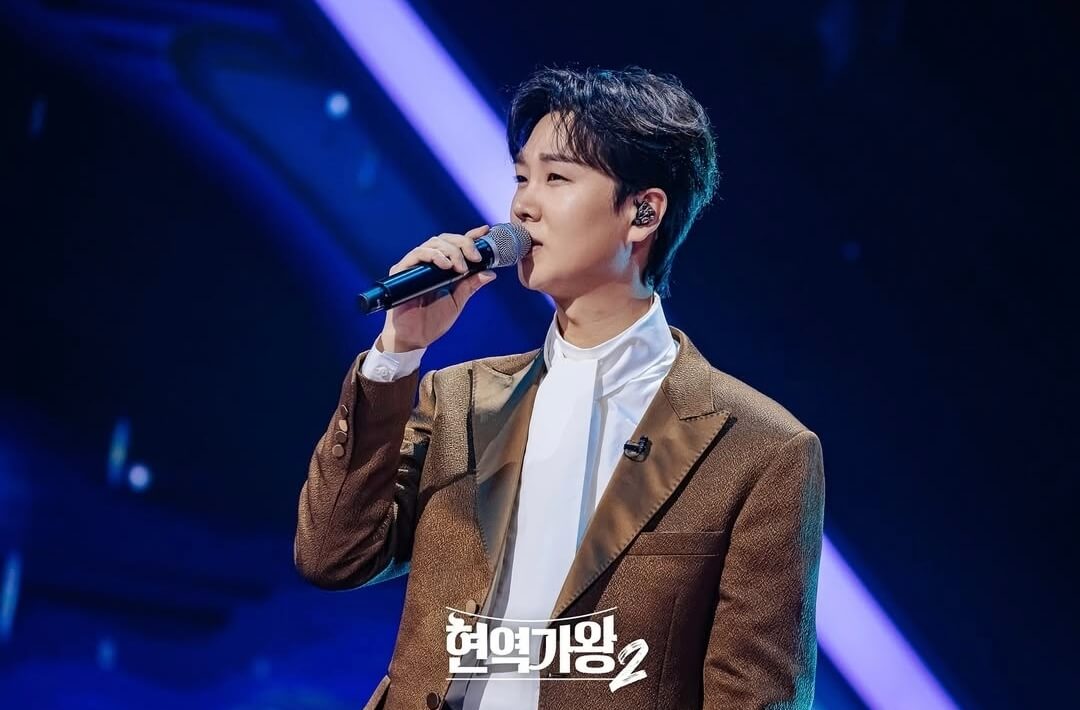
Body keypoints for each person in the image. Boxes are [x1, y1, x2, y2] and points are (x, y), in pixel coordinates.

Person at [294, 66, 825, 710]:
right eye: (521, 177)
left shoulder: (760, 450)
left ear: (643, 212)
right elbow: (333, 556)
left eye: (556, 178)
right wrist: (398, 351)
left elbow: (754, 696)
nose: (522, 205)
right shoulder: (461, 399)